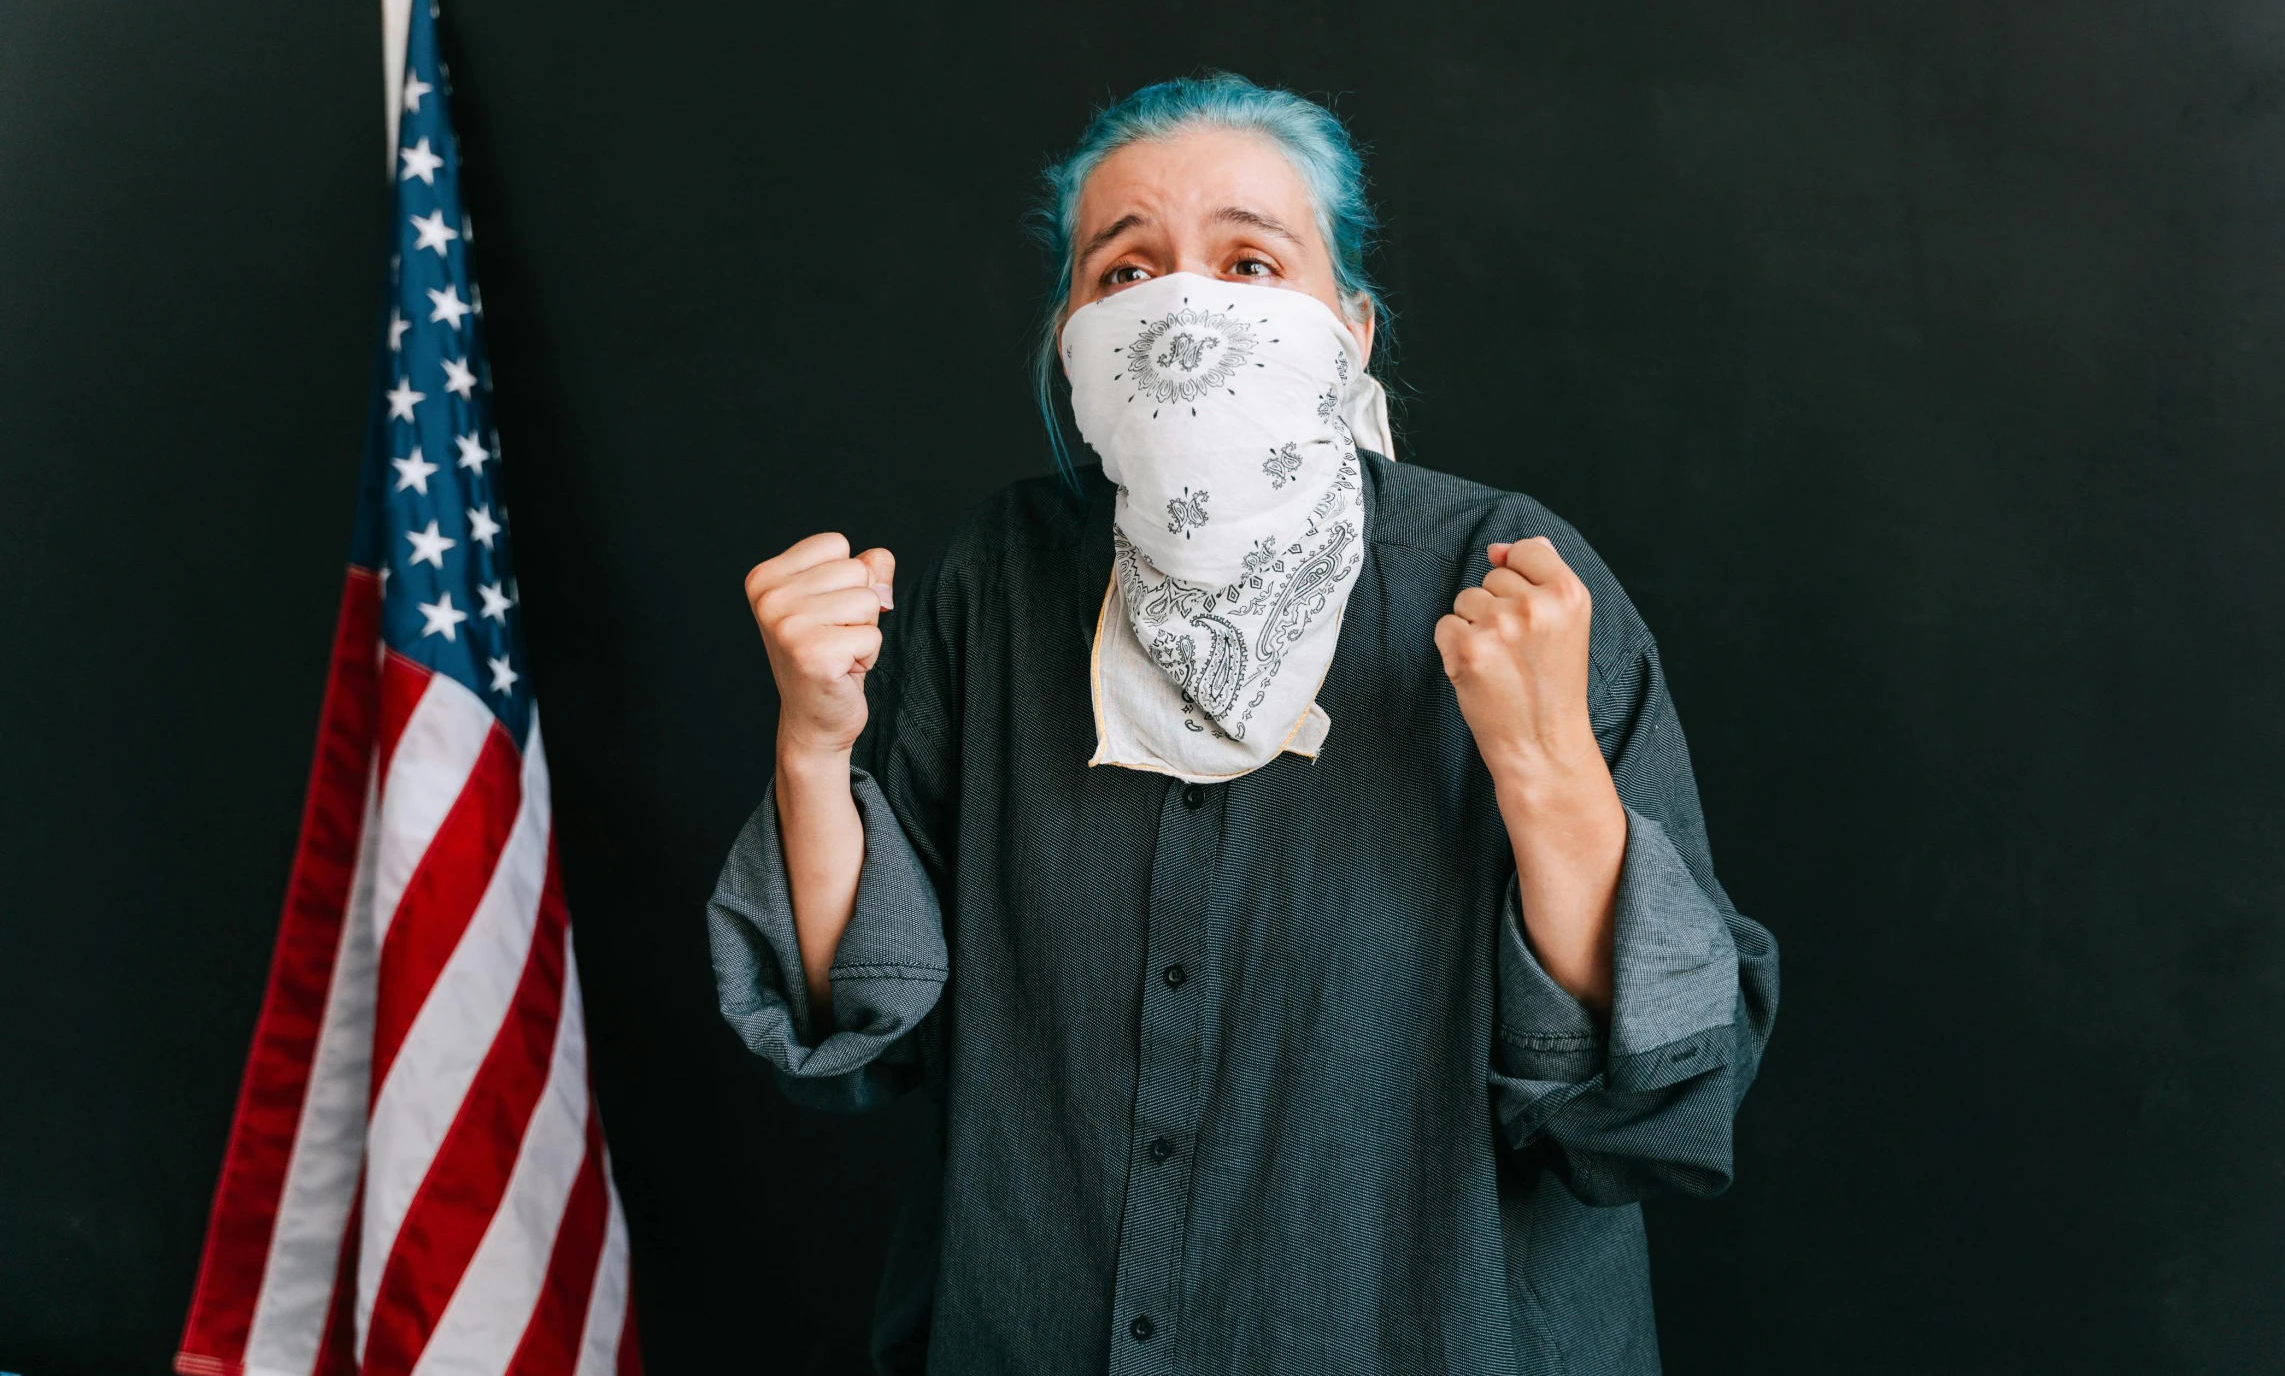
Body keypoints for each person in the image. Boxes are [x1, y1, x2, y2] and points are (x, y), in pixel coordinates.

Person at [708, 73, 1779, 1375]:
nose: (1185, 305)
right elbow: (864, 1032)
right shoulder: (997, 581)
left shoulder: (1507, 574)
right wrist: (814, 741)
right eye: (1126, 271)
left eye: (1249, 259)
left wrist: (1544, 763)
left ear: (1351, 325)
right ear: (1072, 342)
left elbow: (1653, 1102)